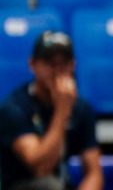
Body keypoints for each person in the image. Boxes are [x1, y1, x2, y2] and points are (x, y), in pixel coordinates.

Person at [0, 30, 103, 190]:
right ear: (32, 64)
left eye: (64, 63)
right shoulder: (14, 107)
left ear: (73, 65)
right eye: (50, 63)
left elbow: (93, 172)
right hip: (22, 184)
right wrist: (62, 111)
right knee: (49, 185)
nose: (57, 70)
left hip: (60, 184)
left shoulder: (81, 108)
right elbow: (40, 167)